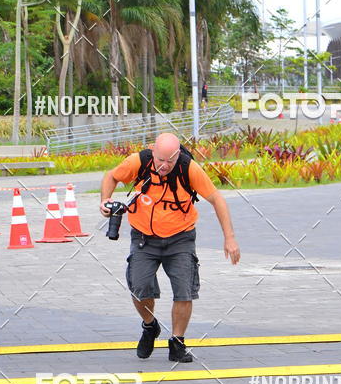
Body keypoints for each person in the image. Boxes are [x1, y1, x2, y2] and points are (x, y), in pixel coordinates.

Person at [100, 132, 240, 363]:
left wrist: (230, 238)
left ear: (177, 156)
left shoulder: (189, 168)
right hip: (144, 238)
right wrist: (105, 201)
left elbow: (217, 199)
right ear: (153, 152)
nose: (164, 166)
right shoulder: (139, 161)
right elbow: (111, 177)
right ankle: (150, 326)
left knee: (184, 291)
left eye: (170, 161)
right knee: (139, 287)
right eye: (160, 160)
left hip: (180, 239)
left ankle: (177, 342)